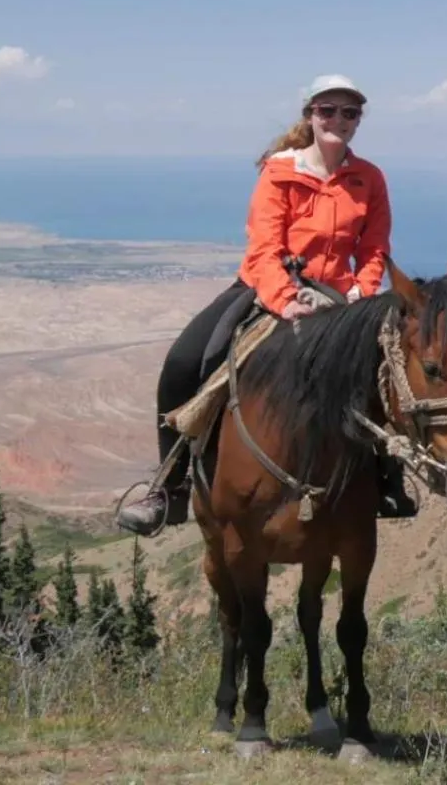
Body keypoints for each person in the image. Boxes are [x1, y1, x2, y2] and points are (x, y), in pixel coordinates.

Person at [116, 74, 415, 535]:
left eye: (349, 112)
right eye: (327, 111)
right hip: (267, 288)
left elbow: (374, 247)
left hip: (340, 298)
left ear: (358, 121)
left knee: (390, 371)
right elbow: (264, 247)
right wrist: (286, 299)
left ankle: (387, 480)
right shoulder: (280, 170)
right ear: (310, 116)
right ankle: (168, 490)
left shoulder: (369, 178)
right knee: (184, 362)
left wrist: (362, 290)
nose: (338, 119)